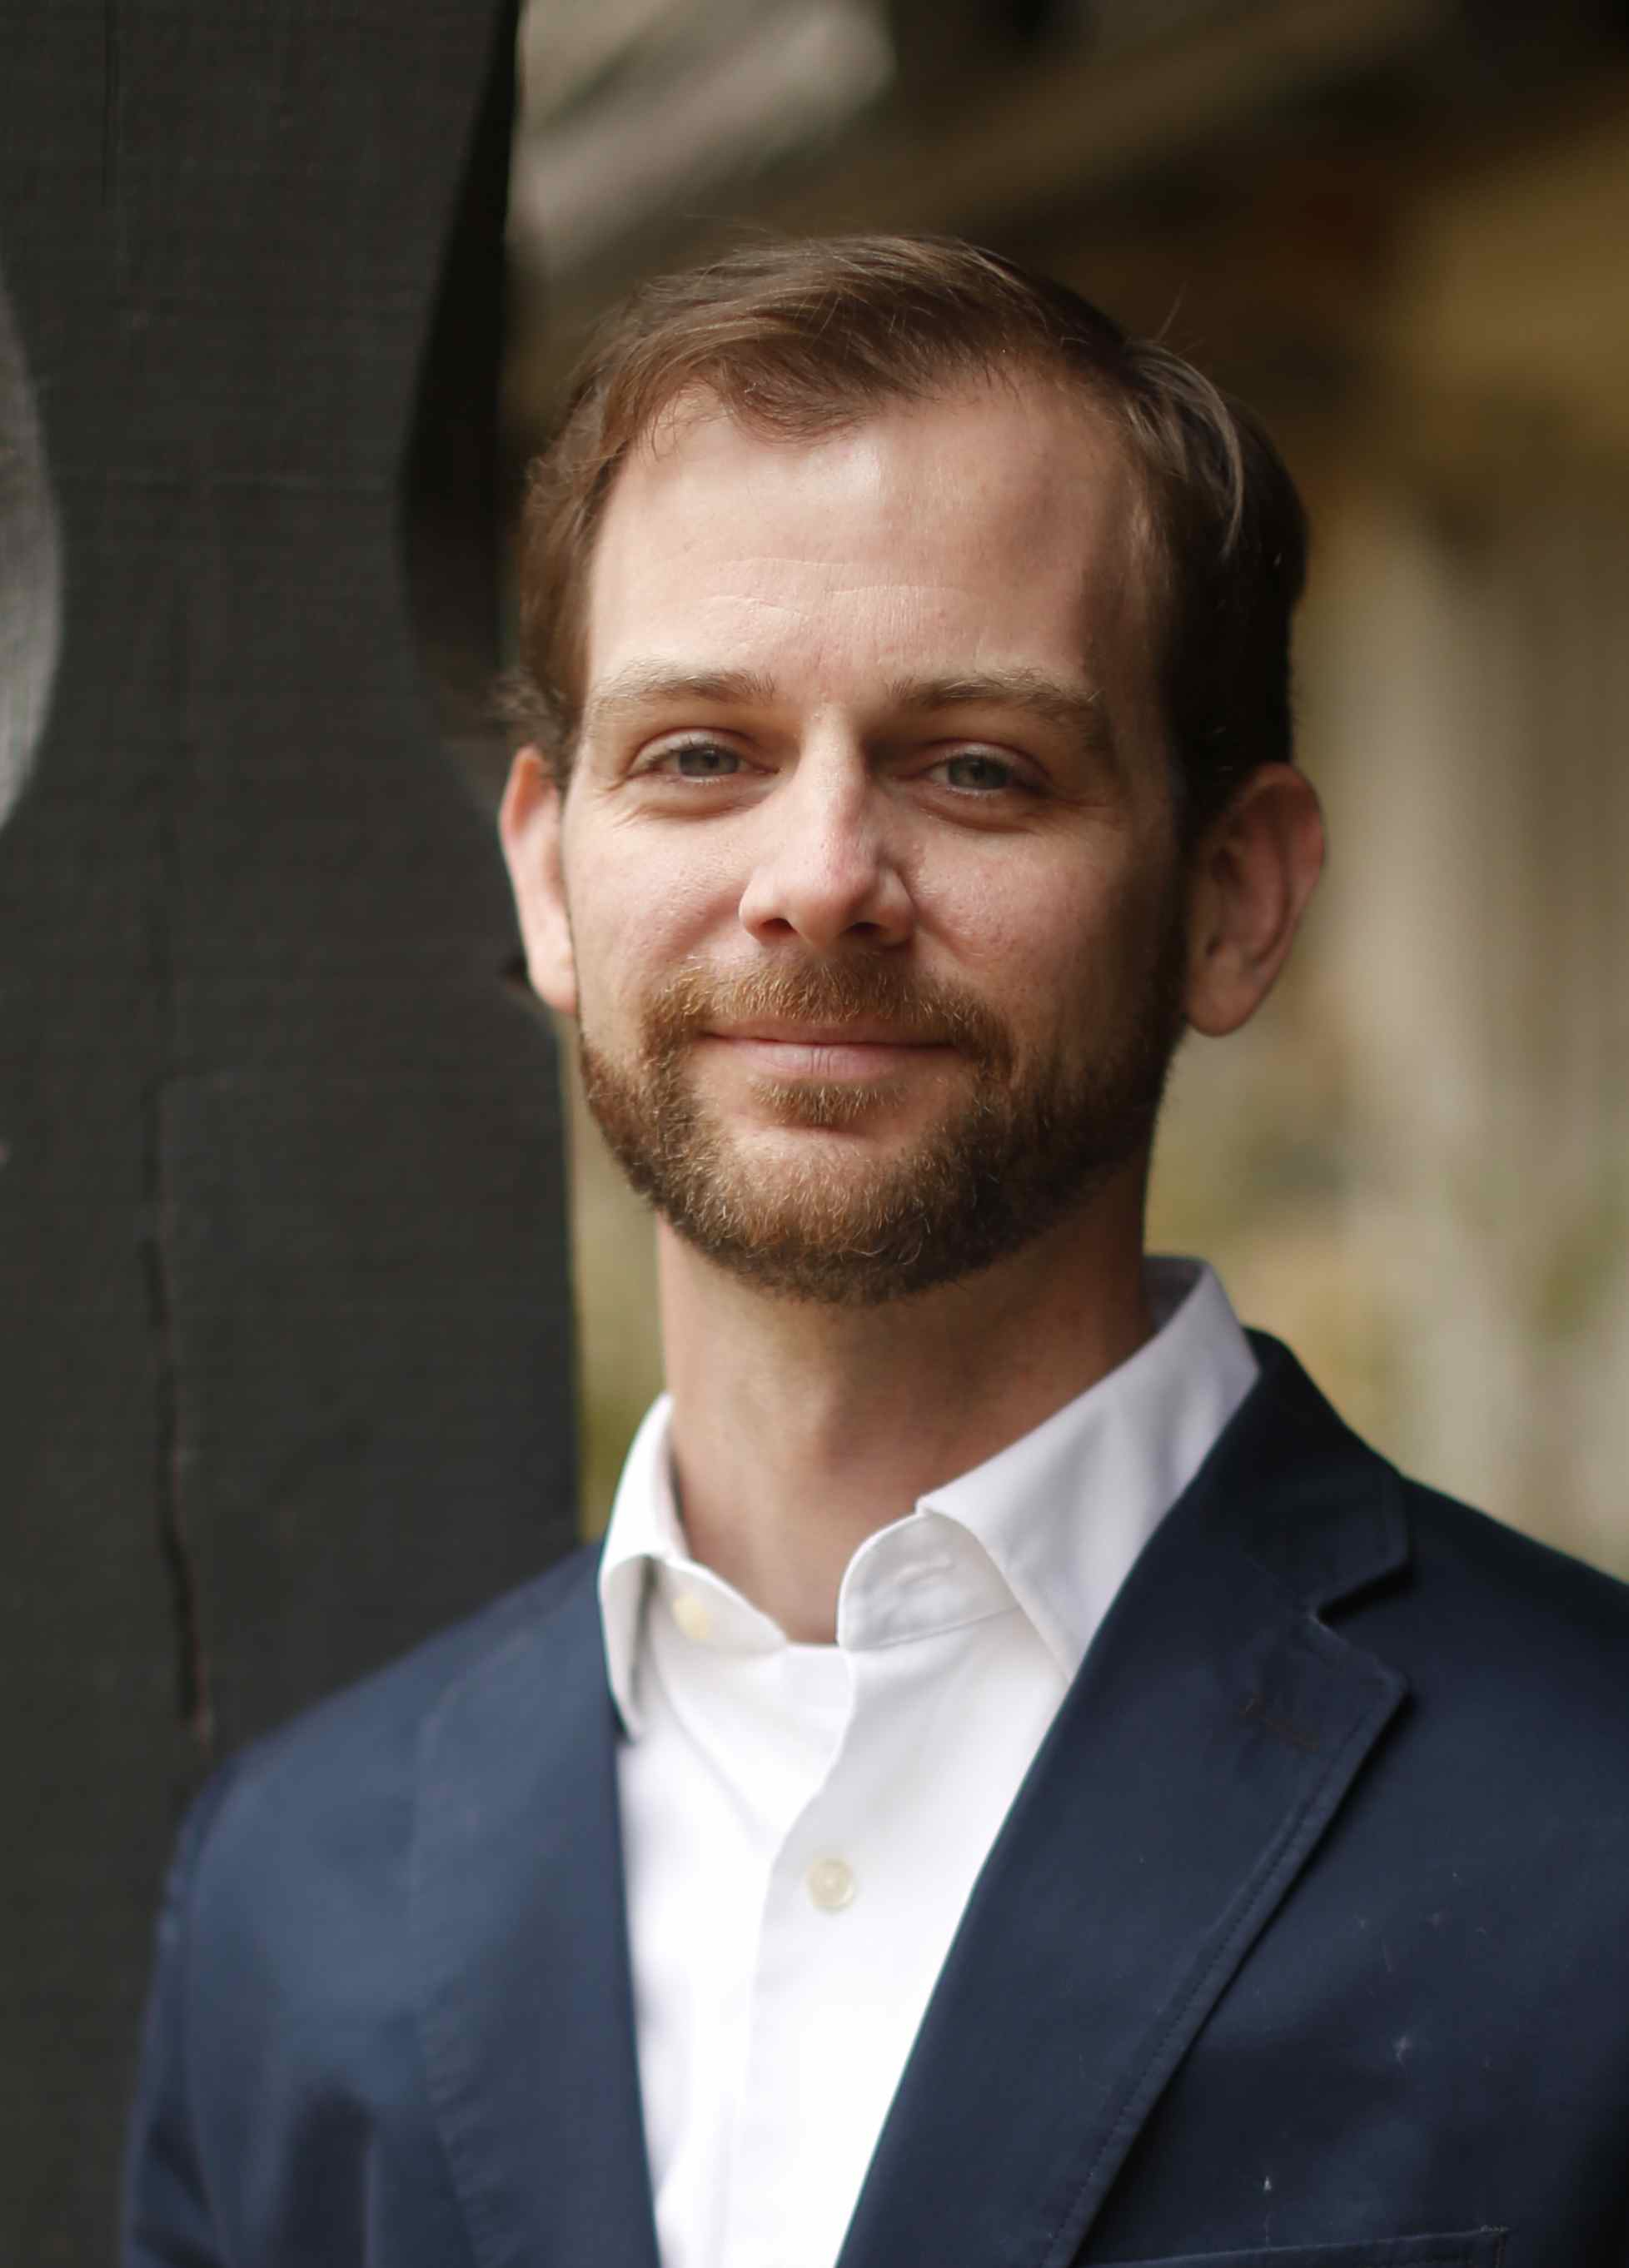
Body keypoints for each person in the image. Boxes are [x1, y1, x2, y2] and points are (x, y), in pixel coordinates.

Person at [123, 236, 1629, 2268]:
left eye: (976, 767)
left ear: (1232, 897)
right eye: (700, 757)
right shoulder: (293, 1898)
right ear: (553, 880)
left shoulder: (1593, 1822)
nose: (818, 881)